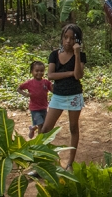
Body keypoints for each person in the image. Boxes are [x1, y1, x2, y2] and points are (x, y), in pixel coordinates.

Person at [40, 23, 86, 171]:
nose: (68, 41)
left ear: (77, 41)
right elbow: (51, 75)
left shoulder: (81, 56)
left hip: (74, 96)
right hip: (58, 96)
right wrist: (70, 73)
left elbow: (78, 75)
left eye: (72, 38)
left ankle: (70, 164)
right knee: (46, 130)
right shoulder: (54, 55)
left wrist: (77, 54)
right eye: (65, 37)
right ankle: (43, 163)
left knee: (73, 127)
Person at [17, 61, 53, 139]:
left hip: (44, 107)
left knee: (43, 125)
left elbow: (53, 90)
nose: (39, 73)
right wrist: (25, 94)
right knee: (41, 125)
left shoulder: (46, 82)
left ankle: (33, 128)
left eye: (41, 71)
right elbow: (19, 89)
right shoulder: (29, 83)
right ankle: (40, 142)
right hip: (35, 109)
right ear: (32, 72)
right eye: (37, 71)